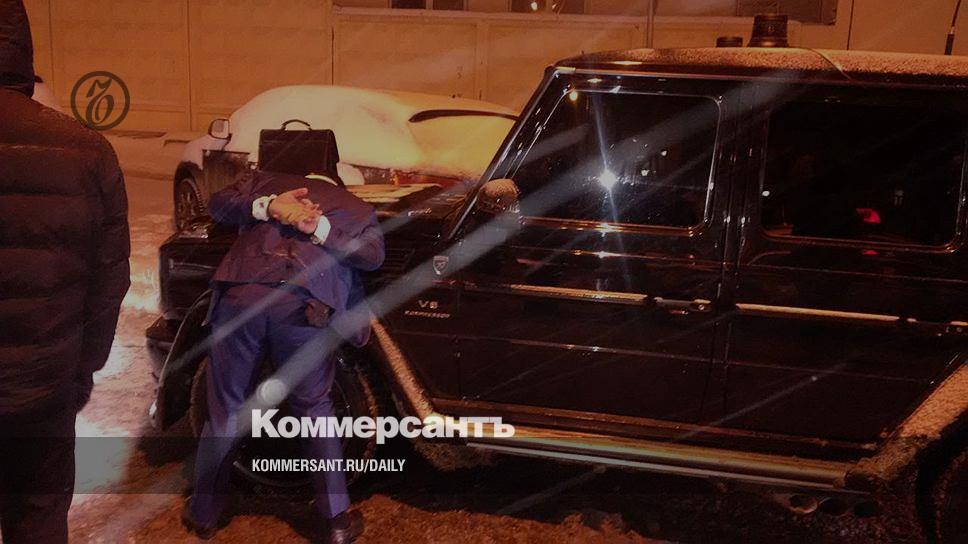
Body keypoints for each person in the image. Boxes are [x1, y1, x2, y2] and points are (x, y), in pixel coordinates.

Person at [184, 169, 384, 544]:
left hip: (241, 298)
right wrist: (321, 228)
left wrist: (267, 206)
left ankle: (204, 513)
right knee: (314, 409)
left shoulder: (263, 182)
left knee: (226, 407)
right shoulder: (357, 207)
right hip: (304, 306)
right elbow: (372, 257)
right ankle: (336, 522)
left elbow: (216, 204)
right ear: (337, 185)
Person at [0, 1, 130, 542]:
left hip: (46, 384)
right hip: (43, 390)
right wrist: (80, 370)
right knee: (38, 516)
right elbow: (109, 281)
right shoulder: (85, 150)